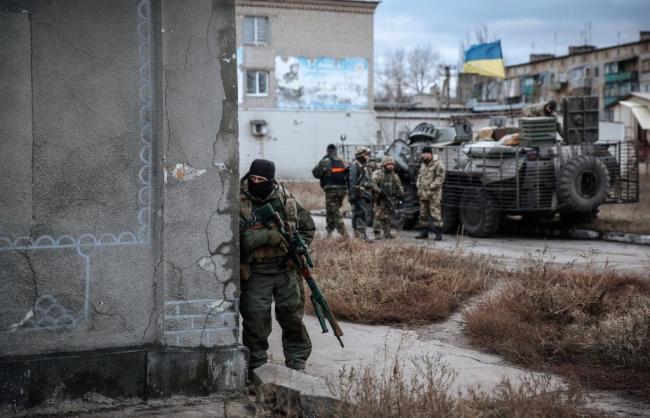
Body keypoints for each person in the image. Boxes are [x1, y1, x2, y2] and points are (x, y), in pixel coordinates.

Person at [239, 159, 314, 377]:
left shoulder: (285, 198)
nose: (256, 182)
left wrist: (298, 247)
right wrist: (267, 236)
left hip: (285, 269)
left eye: (262, 179)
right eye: (253, 178)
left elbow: (307, 226)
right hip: (256, 272)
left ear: (271, 180)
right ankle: (256, 366)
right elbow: (235, 239)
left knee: (292, 318)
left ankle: (297, 361)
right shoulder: (239, 201)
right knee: (256, 321)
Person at [311, 144, 348, 237]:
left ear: (327, 151)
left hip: (331, 190)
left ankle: (344, 233)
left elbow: (315, 173)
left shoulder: (325, 161)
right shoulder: (342, 160)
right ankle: (329, 232)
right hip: (342, 190)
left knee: (334, 211)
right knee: (331, 209)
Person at [415, 146, 445, 241]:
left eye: (425, 154)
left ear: (430, 154)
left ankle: (438, 233)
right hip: (423, 193)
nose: (423, 155)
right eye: (422, 154)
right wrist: (418, 185)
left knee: (435, 213)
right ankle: (424, 232)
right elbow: (420, 175)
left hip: (433, 194)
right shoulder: (423, 164)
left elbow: (440, 178)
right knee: (423, 213)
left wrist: (431, 186)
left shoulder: (438, 163)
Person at [347, 147, 376, 240]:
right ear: (360, 155)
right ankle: (361, 236)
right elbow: (352, 182)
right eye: (365, 155)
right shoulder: (355, 166)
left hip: (364, 195)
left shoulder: (364, 166)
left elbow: (369, 181)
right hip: (358, 195)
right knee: (360, 214)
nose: (367, 157)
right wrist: (352, 195)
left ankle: (359, 235)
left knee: (362, 213)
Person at [372, 157, 403, 239]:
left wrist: (400, 195)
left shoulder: (394, 175)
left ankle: (387, 233)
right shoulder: (378, 174)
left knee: (388, 217)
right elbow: (372, 184)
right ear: (384, 164)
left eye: (392, 164)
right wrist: (379, 191)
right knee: (378, 216)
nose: (391, 166)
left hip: (391, 198)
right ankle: (377, 233)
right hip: (380, 199)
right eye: (389, 164)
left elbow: (399, 185)